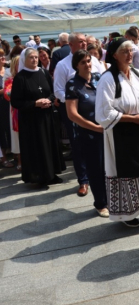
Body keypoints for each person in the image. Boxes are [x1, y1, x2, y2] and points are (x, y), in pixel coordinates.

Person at [95, 38, 139, 228]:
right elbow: (103, 113)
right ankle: (129, 213)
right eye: (124, 51)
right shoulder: (108, 79)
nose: (129, 54)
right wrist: (132, 118)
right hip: (122, 134)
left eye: (131, 50)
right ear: (114, 55)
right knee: (129, 172)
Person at [54, 32, 106, 197]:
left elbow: (102, 82)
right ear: (71, 45)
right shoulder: (63, 65)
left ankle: (104, 183)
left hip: (98, 112)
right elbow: (58, 90)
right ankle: (83, 181)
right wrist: (76, 100)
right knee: (78, 147)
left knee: (101, 153)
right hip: (75, 111)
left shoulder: (95, 61)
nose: (84, 44)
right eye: (81, 42)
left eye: (85, 42)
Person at [10, 48, 66, 185]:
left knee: (49, 144)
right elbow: (15, 101)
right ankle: (38, 176)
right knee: (36, 147)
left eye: (36, 57)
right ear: (24, 60)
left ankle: (52, 174)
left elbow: (52, 92)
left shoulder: (44, 73)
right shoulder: (20, 77)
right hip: (31, 120)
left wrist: (49, 100)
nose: (35, 60)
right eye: (31, 57)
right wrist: (35, 103)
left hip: (47, 116)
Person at [65, 50, 108, 217]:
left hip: (106, 130)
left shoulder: (99, 78)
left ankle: (112, 199)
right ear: (76, 65)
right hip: (88, 134)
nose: (87, 64)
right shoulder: (73, 84)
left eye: (89, 61)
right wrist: (94, 127)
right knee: (95, 170)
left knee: (109, 167)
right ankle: (100, 203)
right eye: (83, 62)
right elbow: (72, 114)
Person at [3, 56, 21, 171]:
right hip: (15, 111)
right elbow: (7, 94)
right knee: (17, 136)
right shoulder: (10, 78)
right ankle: (20, 161)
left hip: (30, 110)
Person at [0, 49, 13, 168]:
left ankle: (13, 154)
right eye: (0, 56)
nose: (3, 58)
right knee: (1, 131)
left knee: (10, 129)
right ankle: (3, 158)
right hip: (0, 104)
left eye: (3, 55)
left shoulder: (8, 71)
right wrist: (5, 90)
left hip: (9, 104)